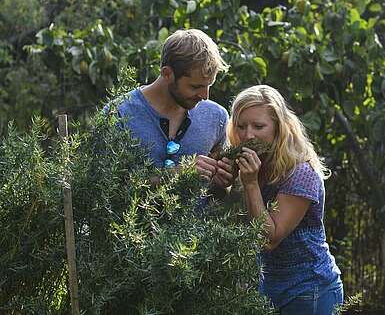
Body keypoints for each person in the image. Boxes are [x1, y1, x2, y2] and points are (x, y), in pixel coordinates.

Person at [227, 85, 343, 314]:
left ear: (279, 127)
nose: (248, 135)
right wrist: (224, 183)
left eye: (258, 126)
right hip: (269, 288)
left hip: (309, 290)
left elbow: (270, 239)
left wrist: (249, 184)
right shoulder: (255, 166)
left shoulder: (301, 172)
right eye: (241, 126)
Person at [106, 29, 234, 191]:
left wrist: (221, 182)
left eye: (209, 85)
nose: (205, 96)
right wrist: (175, 174)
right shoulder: (118, 114)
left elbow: (218, 196)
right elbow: (103, 190)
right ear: (167, 74)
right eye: (196, 86)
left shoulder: (217, 117)